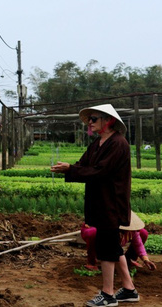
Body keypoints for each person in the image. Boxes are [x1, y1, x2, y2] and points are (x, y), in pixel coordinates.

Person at [51, 104, 138, 306]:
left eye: (94, 119)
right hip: (100, 201)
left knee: (107, 248)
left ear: (108, 120)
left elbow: (100, 171)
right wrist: (69, 168)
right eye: (89, 119)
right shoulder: (97, 144)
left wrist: (71, 170)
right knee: (113, 247)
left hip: (111, 203)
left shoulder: (118, 143)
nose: (89, 123)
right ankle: (129, 289)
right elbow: (84, 165)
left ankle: (107, 295)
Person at [81, 211, 156, 272]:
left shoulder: (133, 231)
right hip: (97, 233)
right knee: (93, 233)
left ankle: (130, 259)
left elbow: (138, 244)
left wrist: (146, 260)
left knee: (143, 232)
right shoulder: (110, 226)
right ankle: (91, 262)